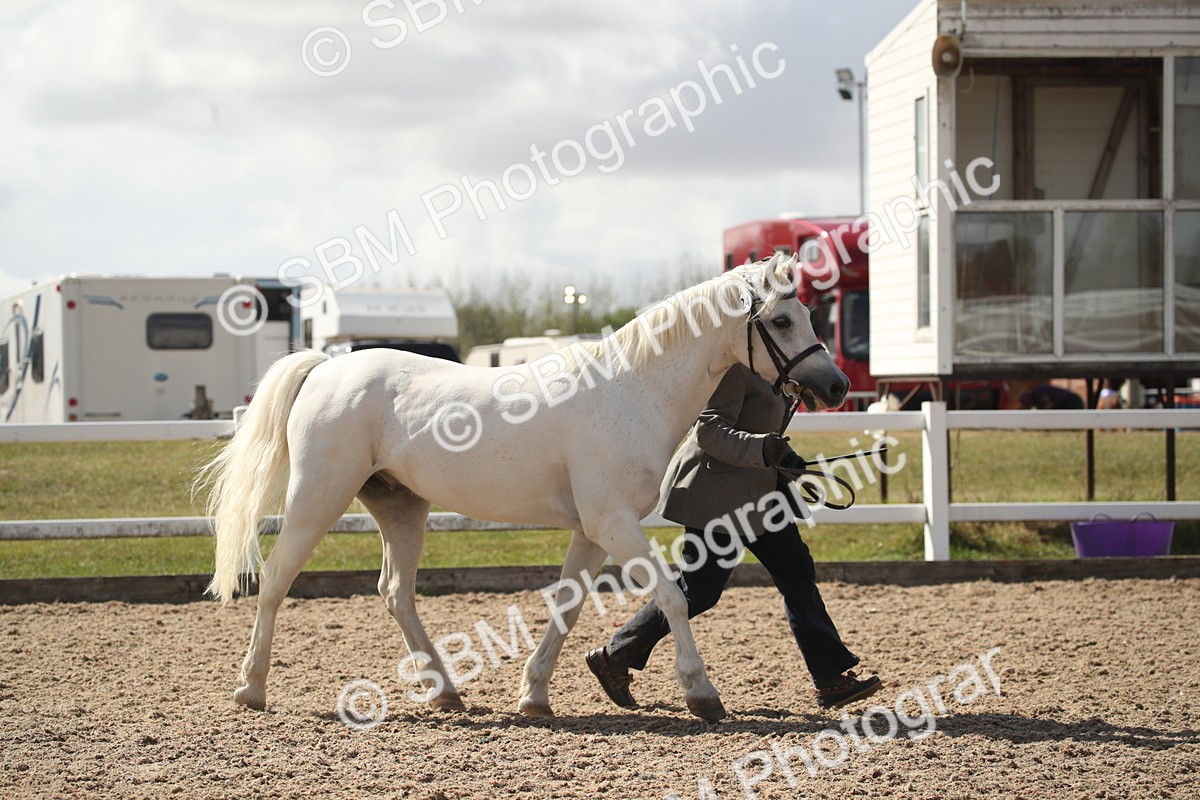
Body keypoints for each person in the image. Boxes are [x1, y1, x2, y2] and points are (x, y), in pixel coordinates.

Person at [585, 363, 881, 712]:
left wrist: (785, 456)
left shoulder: (780, 371)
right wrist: (762, 449)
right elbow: (708, 431)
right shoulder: (737, 371)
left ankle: (830, 679)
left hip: (763, 493)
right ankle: (615, 656)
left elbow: (765, 427)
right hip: (717, 494)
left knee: (797, 572)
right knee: (700, 590)